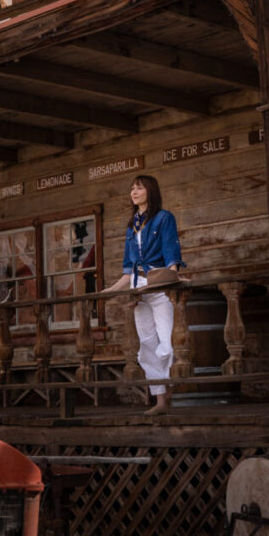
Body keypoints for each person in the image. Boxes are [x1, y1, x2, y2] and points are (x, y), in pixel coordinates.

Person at [105, 174, 183, 414]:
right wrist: (109, 291)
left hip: (158, 286)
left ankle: (168, 390)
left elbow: (171, 253)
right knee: (147, 344)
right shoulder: (132, 226)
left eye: (138, 188)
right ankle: (160, 401)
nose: (134, 192)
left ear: (150, 190)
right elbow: (129, 269)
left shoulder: (163, 218)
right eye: (131, 189)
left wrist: (172, 278)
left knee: (167, 344)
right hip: (137, 289)